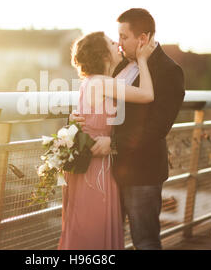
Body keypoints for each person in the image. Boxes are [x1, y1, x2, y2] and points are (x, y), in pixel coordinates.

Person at [71, 8, 185, 250]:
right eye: (117, 38)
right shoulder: (117, 64)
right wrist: (79, 119)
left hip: (140, 173)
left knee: (144, 241)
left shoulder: (169, 71)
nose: (119, 44)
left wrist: (113, 144)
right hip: (106, 172)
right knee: (107, 238)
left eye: (123, 37)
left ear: (142, 38)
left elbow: (157, 128)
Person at [58, 31, 156, 250]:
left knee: (86, 225)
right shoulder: (103, 83)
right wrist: (142, 60)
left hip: (92, 164)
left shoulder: (91, 82)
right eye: (112, 43)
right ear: (103, 55)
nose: (117, 44)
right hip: (96, 167)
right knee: (94, 228)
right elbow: (148, 95)